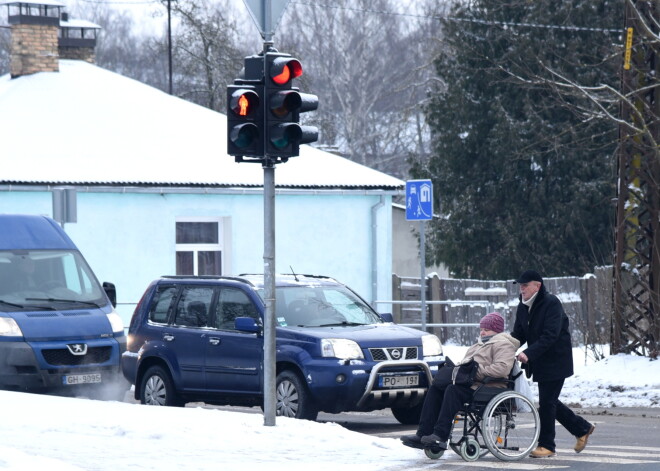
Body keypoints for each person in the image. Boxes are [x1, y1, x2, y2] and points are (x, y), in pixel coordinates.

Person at [400, 312, 519, 453]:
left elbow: (501, 370)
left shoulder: (504, 345)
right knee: (436, 388)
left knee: (452, 390)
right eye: (481, 329)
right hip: (473, 385)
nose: (482, 332)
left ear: (497, 330)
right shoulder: (477, 346)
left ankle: (440, 436)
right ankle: (423, 434)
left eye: (486, 329)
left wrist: (474, 372)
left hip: (489, 387)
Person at [511, 270, 595, 458]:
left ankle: (547, 445)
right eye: (520, 286)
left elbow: (550, 336)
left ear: (537, 286)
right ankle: (582, 428)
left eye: (525, 285)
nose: (522, 289)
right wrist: (502, 346)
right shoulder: (523, 305)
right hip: (540, 361)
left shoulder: (551, 303)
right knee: (550, 401)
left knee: (547, 403)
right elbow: (519, 334)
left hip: (556, 360)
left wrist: (528, 353)